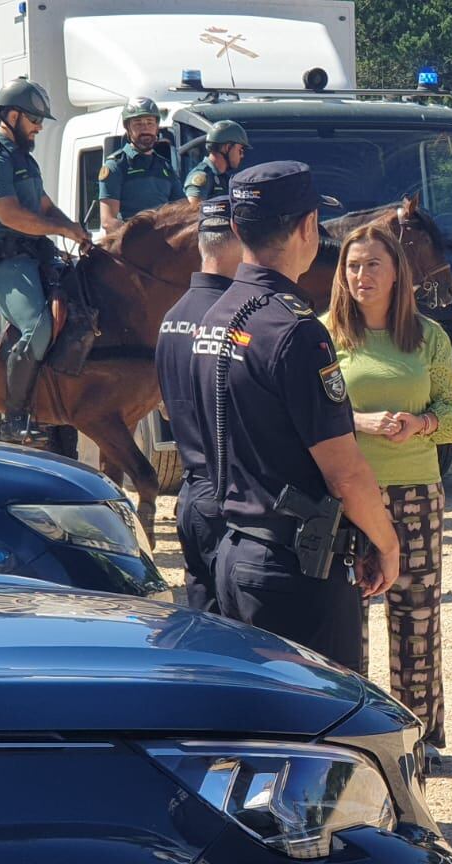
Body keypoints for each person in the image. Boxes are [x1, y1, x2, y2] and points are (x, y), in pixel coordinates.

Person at [190, 160, 400, 671]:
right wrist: (387, 542)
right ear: (308, 227)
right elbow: (345, 471)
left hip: (232, 552)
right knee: (318, 732)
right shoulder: (296, 329)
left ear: (238, 230)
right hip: (294, 570)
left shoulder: (212, 315)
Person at [324, 222, 452, 767]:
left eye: (372, 265)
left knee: (417, 618)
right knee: (345, 616)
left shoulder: (428, 337)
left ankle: (417, 738)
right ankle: (351, 735)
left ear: (397, 272)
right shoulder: (325, 334)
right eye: (352, 266)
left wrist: (421, 423)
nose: (361, 275)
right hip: (344, 493)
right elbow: (313, 414)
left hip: (415, 492)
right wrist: (361, 420)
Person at [0, 78, 93, 443]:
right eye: (35, 119)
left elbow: (42, 206)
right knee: (38, 325)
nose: (39, 126)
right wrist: (63, 232)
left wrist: (72, 226)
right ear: (13, 116)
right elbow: (11, 216)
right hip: (1, 257)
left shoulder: (25, 158)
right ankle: (14, 417)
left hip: (33, 252)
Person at [154, 195, 242, 611]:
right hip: (231, 498)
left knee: (203, 630)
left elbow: (167, 409)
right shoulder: (235, 317)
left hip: (191, 494)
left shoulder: (172, 316)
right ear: (239, 239)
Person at [99, 97, 179, 233]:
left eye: (150, 123)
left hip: (164, 246)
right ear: (128, 128)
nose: (145, 129)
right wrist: (142, 239)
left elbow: (181, 208)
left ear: (157, 127)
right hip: (129, 248)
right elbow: (108, 221)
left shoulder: (165, 166)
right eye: (138, 124)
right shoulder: (116, 165)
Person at [184, 120, 250, 203]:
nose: (242, 155)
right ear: (227, 147)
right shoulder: (202, 176)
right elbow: (194, 212)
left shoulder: (224, 178)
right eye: (240, 150)